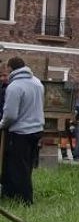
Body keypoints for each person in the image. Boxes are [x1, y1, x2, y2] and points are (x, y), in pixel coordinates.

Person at [0, 57, 45, 204]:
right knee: (27, 165)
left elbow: (11, 115)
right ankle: (12, 194)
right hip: (36, 130)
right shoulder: (37, 83)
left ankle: (25, 200)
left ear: (10, 68)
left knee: (18, 167)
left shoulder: (14, 87)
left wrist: (2, 124)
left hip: (20, 132)